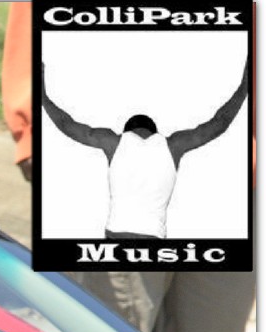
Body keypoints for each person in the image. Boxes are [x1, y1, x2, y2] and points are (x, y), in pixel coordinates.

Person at [1, 3, 255, 332]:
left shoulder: (181, 144)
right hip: (103, 202)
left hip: (230, 175)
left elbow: (218, 122)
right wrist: (34, 130)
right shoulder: (106, 142)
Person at [41, 57, 249, 240]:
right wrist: (245, 85)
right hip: (153, 236)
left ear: (127, 130)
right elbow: (219, 123)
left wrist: (41, 94)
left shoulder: (113, 142)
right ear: (153, 131)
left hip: (116, 234)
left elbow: (66, 124)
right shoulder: (173, 146)